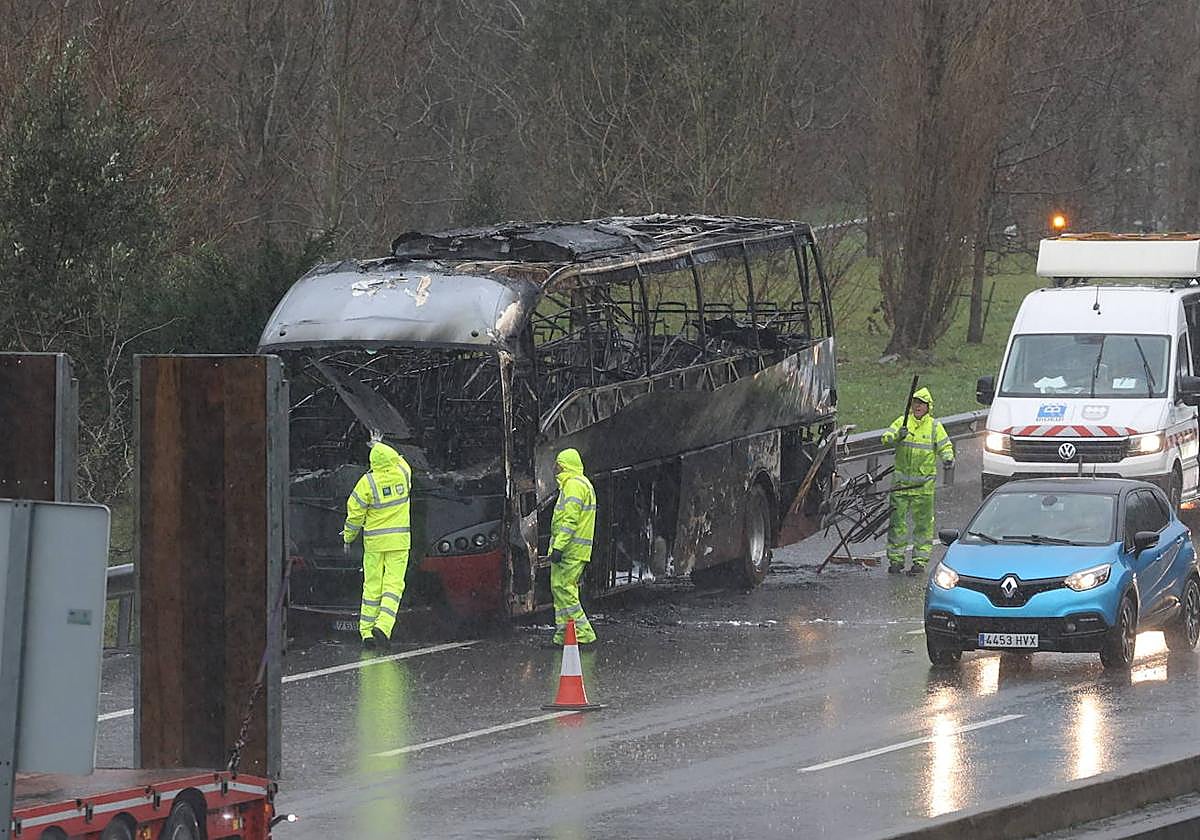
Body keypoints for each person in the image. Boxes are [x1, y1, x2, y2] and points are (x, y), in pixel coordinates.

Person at [343, 435, 413, 649]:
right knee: (393, 586)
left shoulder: (367, 482)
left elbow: (354, 513)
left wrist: (348, 538)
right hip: (399, 543)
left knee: (371, 586)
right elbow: (400, 459)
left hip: (374, 544)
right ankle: (383, 626)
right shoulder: (404, 473)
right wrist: (380, 444)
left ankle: (366, 633)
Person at [881, 386, 954, 575]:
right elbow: (885, 439)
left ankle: (919, 562)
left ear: (929, 406)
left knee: (923, 526)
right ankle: (896, 561)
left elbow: (945, 446)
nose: (918, 406)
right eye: (915, 403)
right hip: (901, 487)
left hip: (923, 487)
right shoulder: (902, 422)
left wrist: (948, 457)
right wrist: (898, 436)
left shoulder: (935, 427)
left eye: (922, 403)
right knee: (897, 525)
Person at [549, 448, 598, 645]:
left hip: (570, 550)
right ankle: (563, 636)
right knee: (561, 589)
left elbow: (570, 520)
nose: (555, 468)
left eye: (558, 464)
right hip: (574, 549)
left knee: (564, 589)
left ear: (565, 465)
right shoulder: (579, 484)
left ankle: (584, 634)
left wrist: (558, 547)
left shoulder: (573, 486)